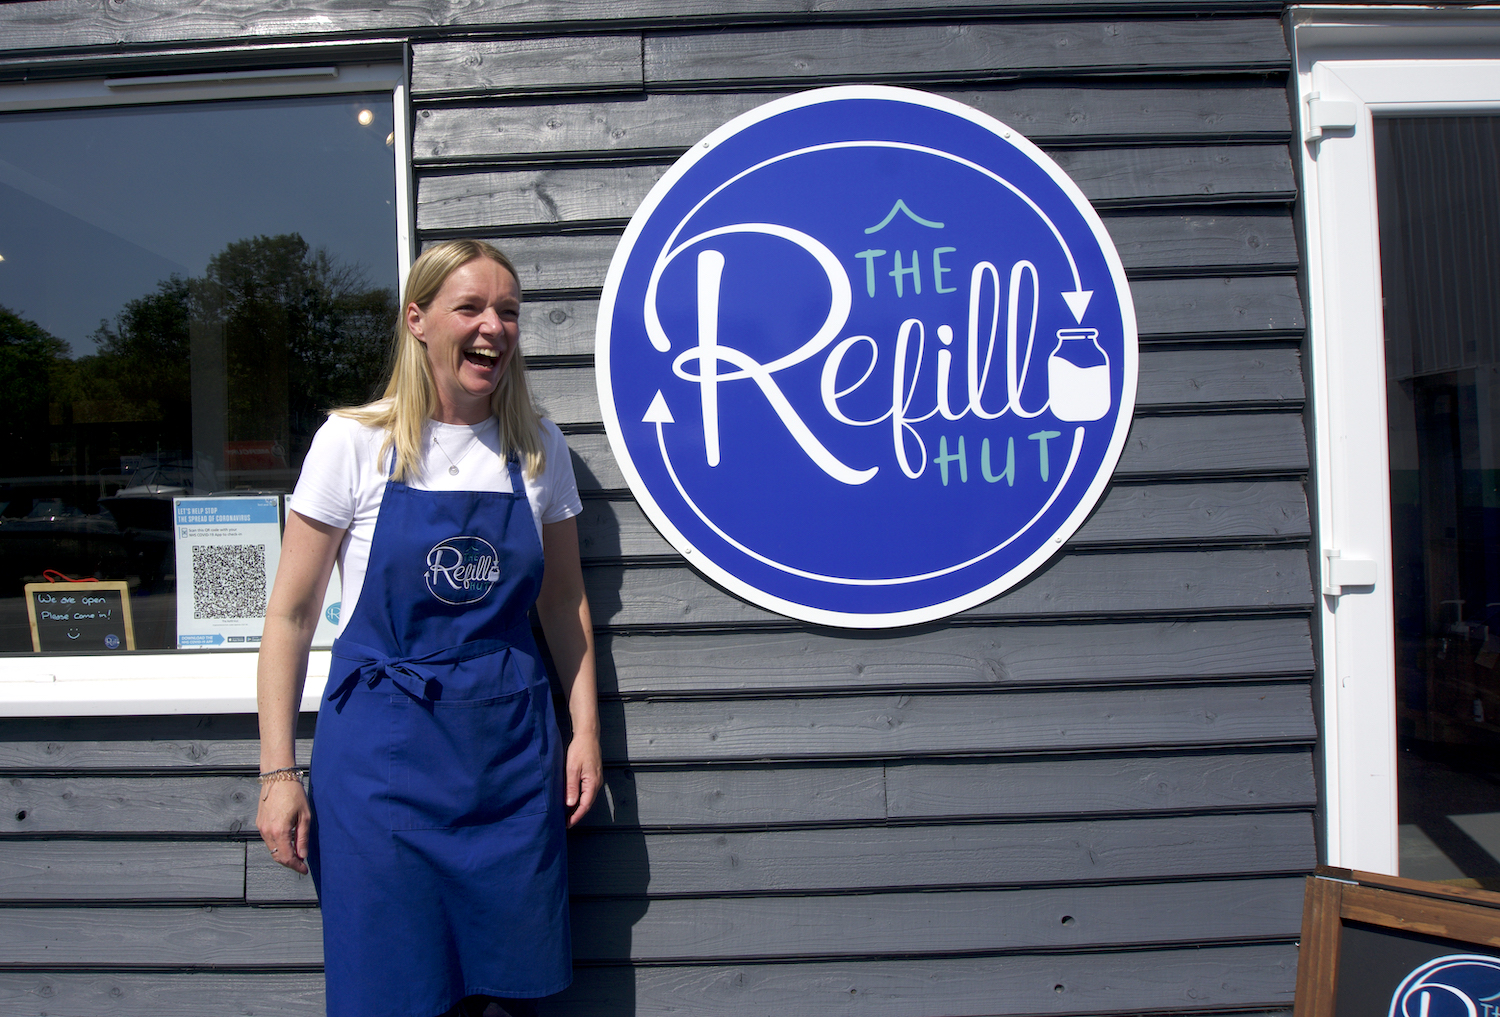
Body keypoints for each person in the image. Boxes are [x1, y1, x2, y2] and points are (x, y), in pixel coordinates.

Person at [255, 239, 601, 1017]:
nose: (493, 327)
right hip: (382, 770)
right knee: (393, 993)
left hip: (509, 767)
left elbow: (563, 603)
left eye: (508, 311)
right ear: (417, 319)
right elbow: (290, 616)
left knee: (509, 1000)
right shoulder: (354, 443)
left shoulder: (537, 447)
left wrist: (584, 732)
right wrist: (278, 772)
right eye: (470, 307)